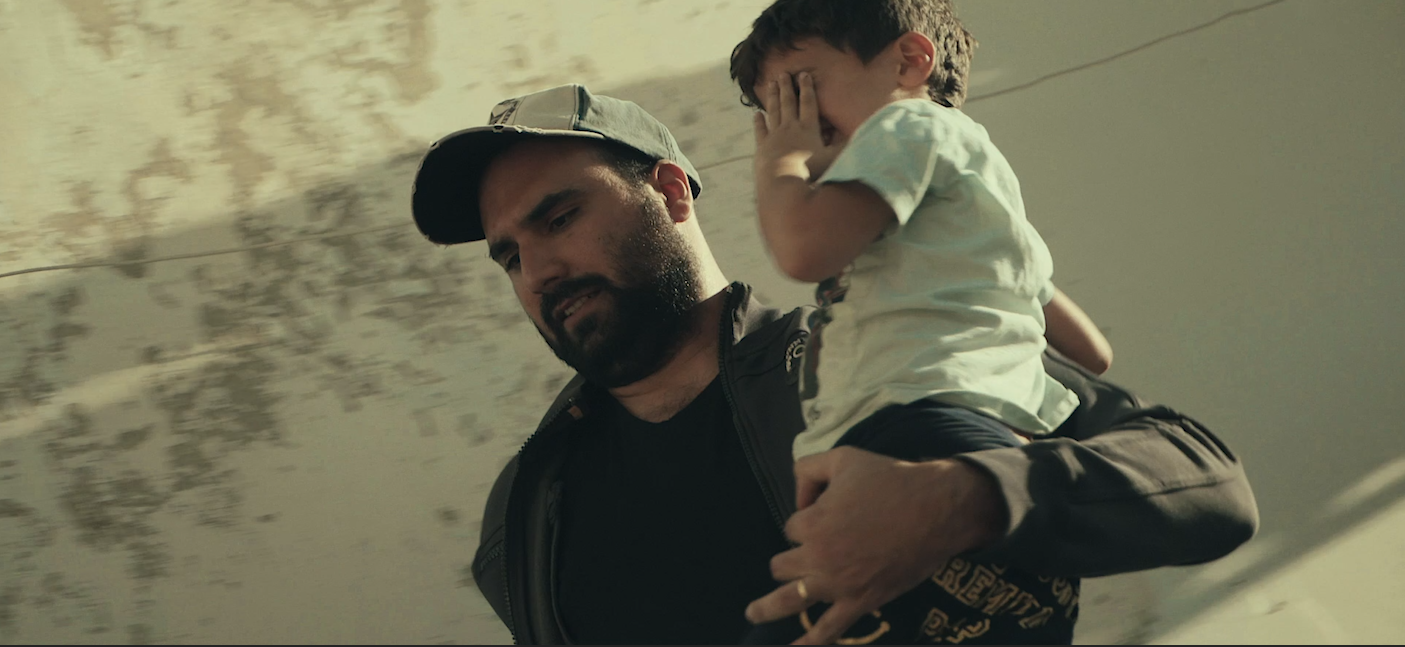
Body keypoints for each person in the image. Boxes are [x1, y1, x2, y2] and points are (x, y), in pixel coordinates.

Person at [409, 83, 1258, 645]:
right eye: (508, 256)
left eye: (558, 218)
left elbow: (1205, 480)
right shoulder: (523, 512)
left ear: (668, 192)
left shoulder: (879, 347)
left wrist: (968, 496)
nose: (538, 270)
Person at [732, 0, 1116, 642]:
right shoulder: (977, 199)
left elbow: (801, 252)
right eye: (778, 113)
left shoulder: (905, 126)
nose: (798, 126)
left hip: (912, 429)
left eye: (802, 92)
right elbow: (1092, 352)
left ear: (910, 62)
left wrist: (778, 165)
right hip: (995, 445)